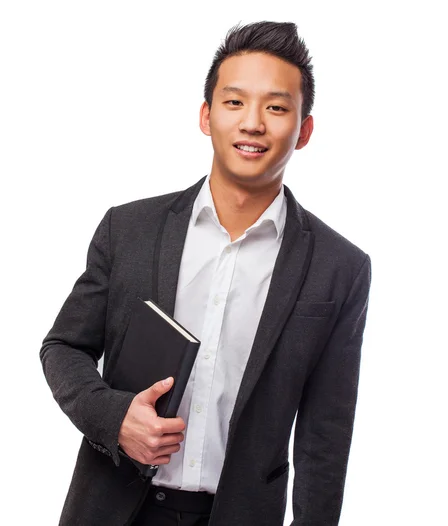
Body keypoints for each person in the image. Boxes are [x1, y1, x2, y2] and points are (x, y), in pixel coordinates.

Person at [40, 20, 371, 526]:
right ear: (206, 115)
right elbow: (63, 347)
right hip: (112, 508)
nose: (253, 123)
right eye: (234, 102)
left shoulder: (339, 268)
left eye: (277, 107)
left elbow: (325, 436)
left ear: (303, 130)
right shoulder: (129, 229)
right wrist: (114, 416)